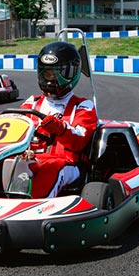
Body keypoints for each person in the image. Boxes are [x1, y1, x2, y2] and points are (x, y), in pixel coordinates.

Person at [18, 40, 97, 198]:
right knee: (7, 162)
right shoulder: (32, 102)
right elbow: (15, 124)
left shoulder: (82, 106)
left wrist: (60, 128)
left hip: (66, 162)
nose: (51, 78)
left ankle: (35, 205)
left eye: (57, 73)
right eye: (48, 73)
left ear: (71, 73)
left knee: (52, 168)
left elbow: (80, 139)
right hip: (31, 158)